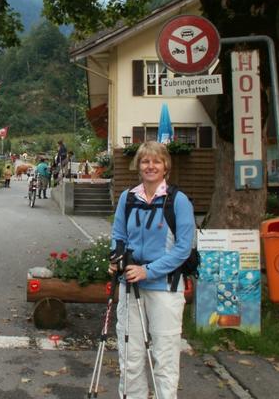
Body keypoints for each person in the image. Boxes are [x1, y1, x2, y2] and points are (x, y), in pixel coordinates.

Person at [108, 141, 194, 399]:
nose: (150, 166)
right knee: (130, 354)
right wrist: (116, 258)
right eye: (145, 161)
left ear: (166, 166)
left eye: (156, 161)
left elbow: (183, 248)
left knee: (164, 355)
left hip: (165, 287)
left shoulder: (178, 200)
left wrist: (148, 271)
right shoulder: (128, 198)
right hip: (130, 285)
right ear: (138, 166)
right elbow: (118, 235)